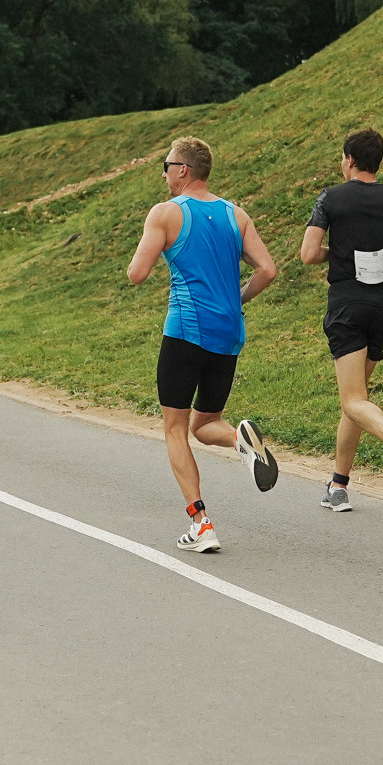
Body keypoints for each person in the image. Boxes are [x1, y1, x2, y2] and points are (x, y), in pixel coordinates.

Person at [125, 135, 278, 552]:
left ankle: (201, 524)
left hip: (186, 330)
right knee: (205, 423)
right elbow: (267, 269)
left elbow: (137, 274)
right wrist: (236, 298)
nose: (164, 173)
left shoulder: (166, 214)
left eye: (167, 165)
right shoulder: (237, 215)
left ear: (182, 170)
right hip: (228, 332)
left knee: (175, 429)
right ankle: (240, 440)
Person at [298, 128, 383, 507]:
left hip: (348, 304)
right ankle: (338, 486)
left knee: (353, 400)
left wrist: (340, 253)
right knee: (356, 398)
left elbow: (308, 254)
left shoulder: (331, 198)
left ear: (350, 160)